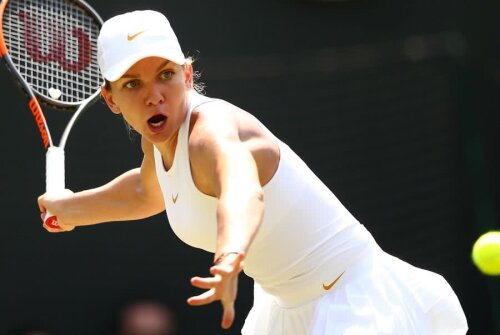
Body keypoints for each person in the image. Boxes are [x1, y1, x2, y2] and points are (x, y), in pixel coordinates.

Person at [38, 9, 468, 334]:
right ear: (111, 99)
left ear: (187, 75)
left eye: (165, 75)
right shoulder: (160, 144)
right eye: (132, 83)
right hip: (285, 308)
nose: (154, 95)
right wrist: (74, 209)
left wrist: (229, 257)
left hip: (352, 298)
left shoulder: (210, 132)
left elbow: (242, 191)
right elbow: (146, 192)